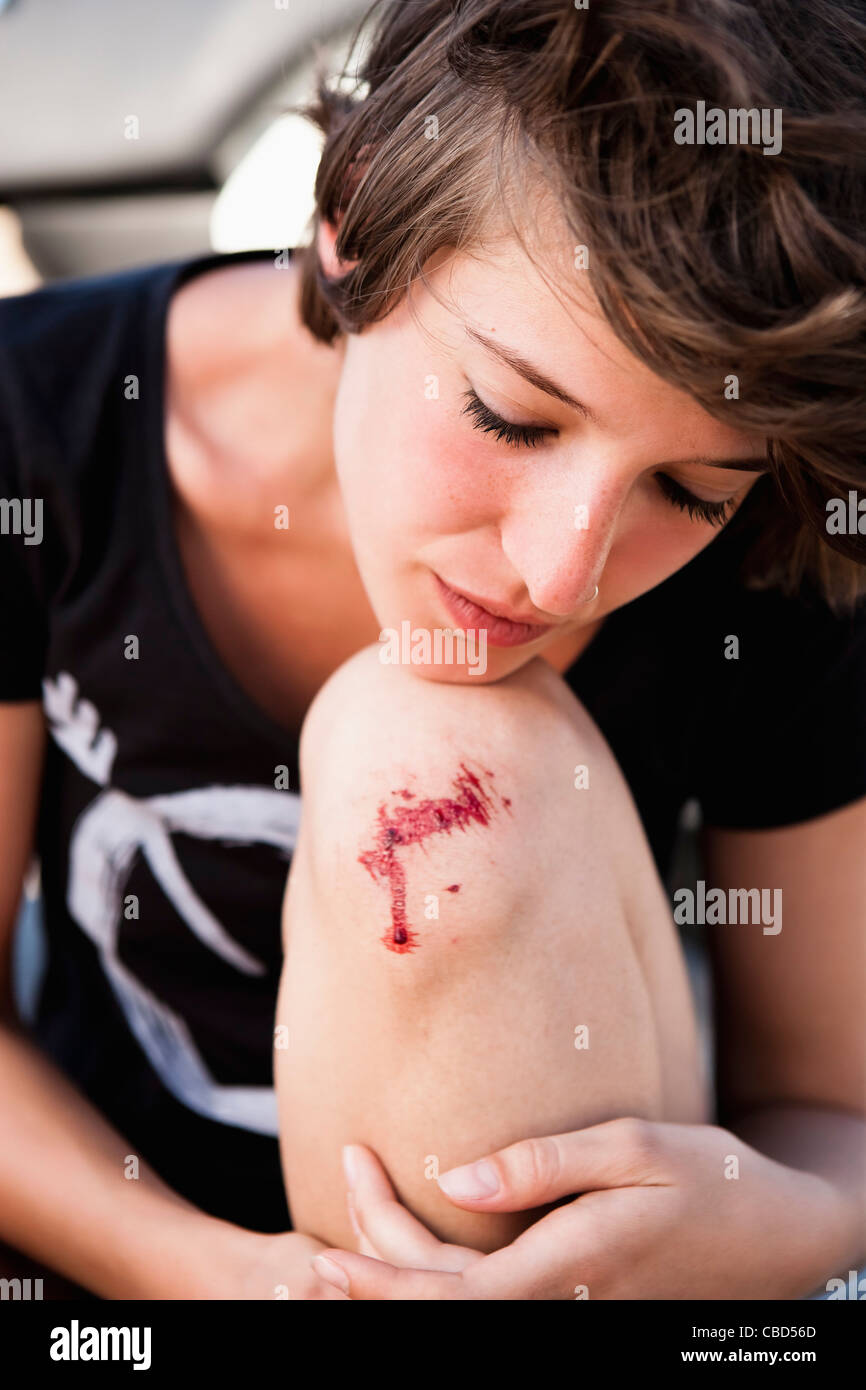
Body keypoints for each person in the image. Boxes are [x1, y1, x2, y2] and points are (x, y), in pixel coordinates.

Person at [0, 0, 864, 1300]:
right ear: (349, 231)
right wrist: (223, 1278)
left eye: (689, 490)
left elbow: (831, 1112)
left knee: (442, 759)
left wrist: (766, 1215)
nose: (563, 571)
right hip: (117, 1257)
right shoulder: (41, 425)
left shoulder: (778, 558)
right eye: (511, 416)